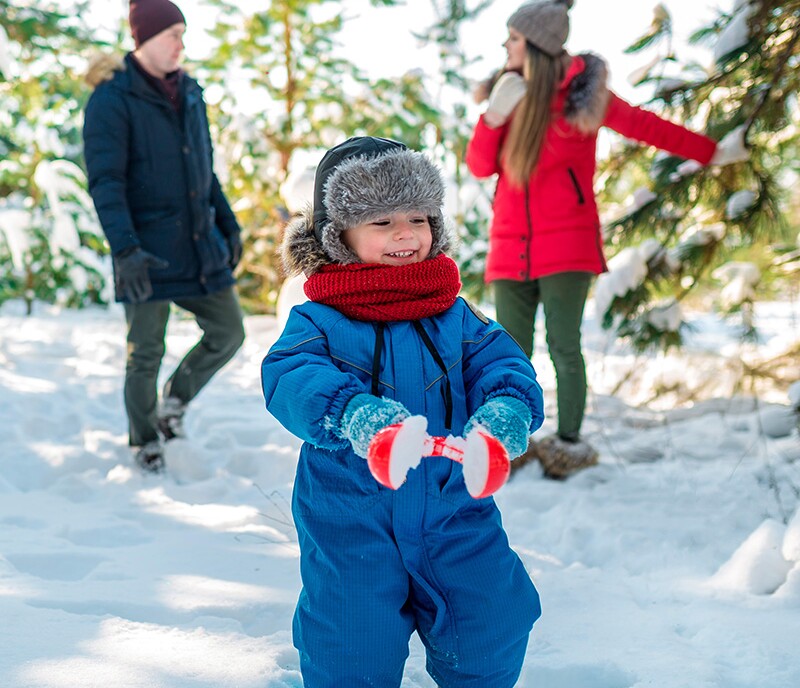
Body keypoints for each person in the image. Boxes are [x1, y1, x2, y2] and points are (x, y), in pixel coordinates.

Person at [261, 136, 545, 688]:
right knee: (351, 644)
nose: (405, 234)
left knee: (492, 620)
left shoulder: (455, 315)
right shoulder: (317, 319)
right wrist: (353, 414)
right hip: (351, 518)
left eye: (417, 217)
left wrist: (506, 409)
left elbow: (502, 363)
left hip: (454, 506)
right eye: (381, 221)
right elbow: (289, 377)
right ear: (337, 237)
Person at [466, 0, 730, 479]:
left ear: (538, 46)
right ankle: (512, 439)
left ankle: (569, 442)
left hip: (566, 247)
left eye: (514, 38)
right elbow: (481, 167)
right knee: (508, 351)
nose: (505, 46)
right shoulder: (507, 94)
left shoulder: (582, 98)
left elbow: (648, 127)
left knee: (564, 346)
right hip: (508, 249)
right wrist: (492, 118)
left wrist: (712, 152)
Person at [83, 0, 245, 473]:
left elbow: (204, 170)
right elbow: (106, 182)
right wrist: (126, 249)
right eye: (173, 34)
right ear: (144, 38)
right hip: (147, 251)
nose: (181, 44)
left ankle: (173, 402)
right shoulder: (112, 99)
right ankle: (144, 438)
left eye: (182, 34)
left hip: (197, 244)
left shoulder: (190, 91)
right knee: (145, 352)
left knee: (228, 331)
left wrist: (228, 223)